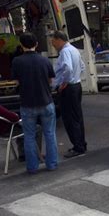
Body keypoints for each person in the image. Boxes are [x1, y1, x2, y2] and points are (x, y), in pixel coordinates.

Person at [11, 32, 58, 173]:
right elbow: (51, 80)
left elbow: (16, 81)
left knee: (29, 136)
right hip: (46, 101)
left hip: (27, 103)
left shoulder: (17, 61)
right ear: (36, 44)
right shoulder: (44, 60)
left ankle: (32, 167)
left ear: (21, 45)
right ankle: (52, 164)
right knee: (50, 134)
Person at [51, 30, 87, 158]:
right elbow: (82, 66)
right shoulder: (74, 50)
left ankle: (78, 146)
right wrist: (75, 77)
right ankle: (81, 143)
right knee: (77, 116)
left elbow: (68, 68)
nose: (53, 45)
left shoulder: (65, 51)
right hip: (76, 85)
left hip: (68, 88)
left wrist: (64, 82)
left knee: (69, 118)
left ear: (59, 39)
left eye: (53, 41)